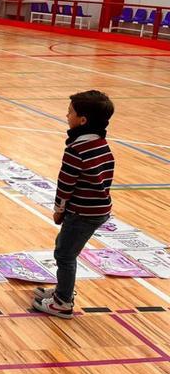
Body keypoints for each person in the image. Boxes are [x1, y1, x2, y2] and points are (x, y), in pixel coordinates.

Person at [33, 90, 115, 319]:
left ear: (82, 120)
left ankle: (62, 302)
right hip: (98, 210)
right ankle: (63, 290)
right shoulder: (102, 145)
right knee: (65, 246)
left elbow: (65, 185)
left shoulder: (76, 149)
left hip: (81, 212)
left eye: (70, 112)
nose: (66, 115)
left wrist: (59, 211)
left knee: (65, 255)